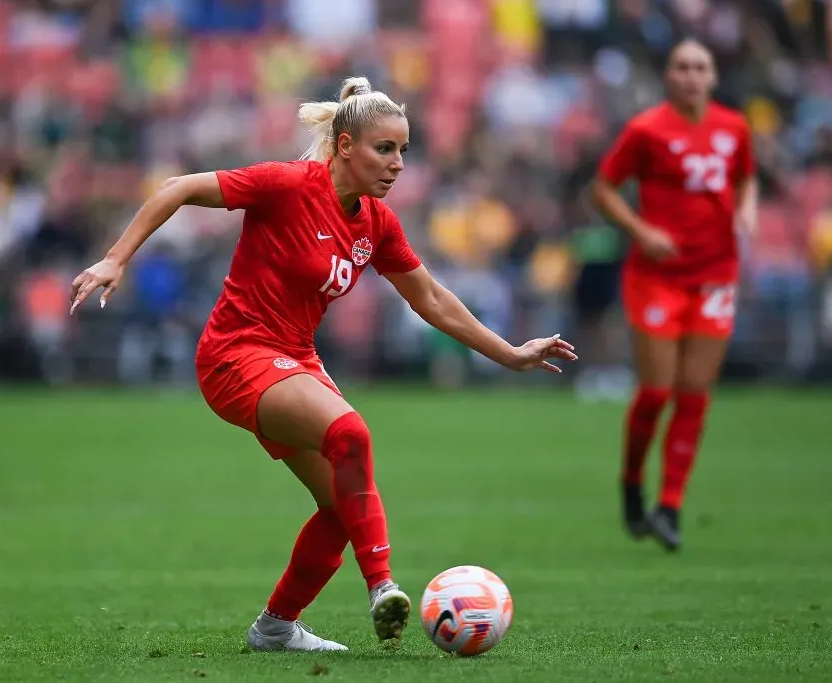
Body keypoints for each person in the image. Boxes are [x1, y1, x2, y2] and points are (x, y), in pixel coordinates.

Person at [69, 77, 577, 651]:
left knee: (343, 506)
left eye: (404, 151)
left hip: (295, 358)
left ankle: (276, 627)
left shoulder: (377, 223)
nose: (398, 164)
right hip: (235, 353)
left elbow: (431, 299)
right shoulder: (286, 184)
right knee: (351, 434)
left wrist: (509, 354)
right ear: (343, 146)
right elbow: (177, 188)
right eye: (385, 150)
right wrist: (115, 260)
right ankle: (381, 585)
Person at [592, 39, 758, 552]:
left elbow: (746, 177)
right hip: (657, 276)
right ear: (668, 76)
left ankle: (670, 505)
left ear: (712, 76)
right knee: (657, 391)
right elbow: (601, 188)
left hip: (714, 275)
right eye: (681, 66)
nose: (691, 75)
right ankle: (631, 481)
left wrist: (747, 209)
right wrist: (641, 232)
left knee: (694, 392)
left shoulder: (735, 127)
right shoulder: (646, 130)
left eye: (700, 67)